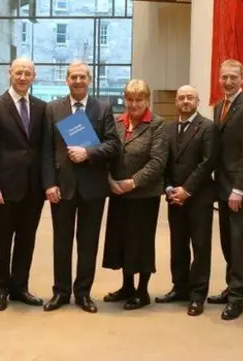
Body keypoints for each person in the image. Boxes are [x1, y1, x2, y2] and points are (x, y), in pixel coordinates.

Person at [42, 60, 121, 313]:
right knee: (61, 243)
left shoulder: (103, 108)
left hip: (93, 188)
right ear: (67, 80)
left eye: (82, 77)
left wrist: (88, 152)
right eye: (73, 77)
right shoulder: (53, 108)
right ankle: (61, 292)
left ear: (89, 79)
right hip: (62, 188)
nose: (78, 81)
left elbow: (113, 145)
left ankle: (83, 293)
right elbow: (45, 150)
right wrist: (49, 183)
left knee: (88, 243)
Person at [0, 57, 46, 311]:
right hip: (4, 190)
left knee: (26, 240)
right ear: (10, 73)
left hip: (33, 189)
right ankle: (1, 289)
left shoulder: (41, 107)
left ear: (33, 76)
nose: (22, 77)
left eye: (27, 73)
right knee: (3, 240)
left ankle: (20, 288)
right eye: (18, 72)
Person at [101, 79, 166, 311]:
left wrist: (132, 183)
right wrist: (109, 180)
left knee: (141, 242)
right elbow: (107, 153)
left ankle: (142, 291)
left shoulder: (157, 124)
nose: (134, 104)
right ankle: (127, 286)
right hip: (117, 193)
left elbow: (158, 162)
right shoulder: (117, 123)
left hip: (144, 196)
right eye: (130, 99)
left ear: (147, 100)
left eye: (139, 99)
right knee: (122, 242)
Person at [155, 85, 217, 316]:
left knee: (200, 246)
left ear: (197, 101)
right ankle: (179, 288)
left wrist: (187, 190)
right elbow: (165, 162)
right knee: (177, 244)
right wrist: (170, 188)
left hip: (198, 197)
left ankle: (197, 294)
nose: (185, 101)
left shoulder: (208, 127)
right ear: (176, 103)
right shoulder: (169, 129)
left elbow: (207, 162)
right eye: (181, 98)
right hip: (174, 198)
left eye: (190, 97)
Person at [208, 59, 243, 320]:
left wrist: (239, 189)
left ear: (242, 78)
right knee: (227, 241)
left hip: (237, 189)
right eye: (224, 77)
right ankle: (231, 287)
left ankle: (238, 297)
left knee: (239, 242)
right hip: (221, 184)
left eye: (233, 77)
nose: (228, 82)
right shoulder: (220, 106)